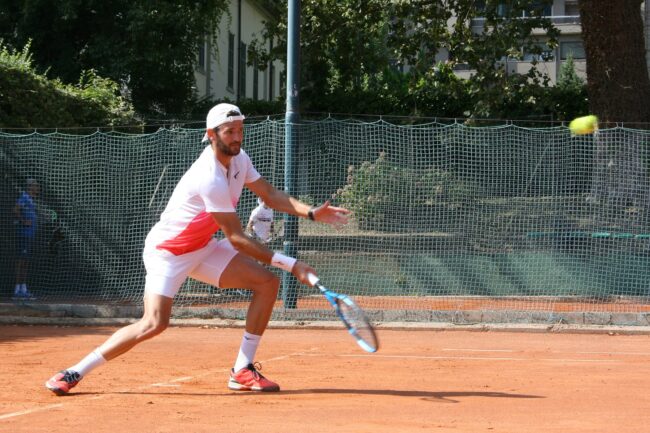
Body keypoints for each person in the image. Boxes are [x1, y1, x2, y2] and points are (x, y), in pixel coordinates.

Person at [45, 103, 350, 395]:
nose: (236, 137)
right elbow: (236, 238)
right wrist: (292, 264)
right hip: (168, 252)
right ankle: (75, 371)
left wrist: (310, 212)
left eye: (239, 130)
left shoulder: (240, 159)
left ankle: (242, 369)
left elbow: (269, 194)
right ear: (211, 133)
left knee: (266, 284)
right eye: (229, 131)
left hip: (203, 247)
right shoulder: (209, 176)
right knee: (154, 323)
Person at [13, 178, 40, 300]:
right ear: (30, 187)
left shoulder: (31, 200)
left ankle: (23, 289)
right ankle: (17, 290)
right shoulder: (24, 197)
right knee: (21, 262)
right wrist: (24, 221)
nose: (38, 188)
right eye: (35, 186)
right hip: (23, 234)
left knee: (25, 262)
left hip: (29, 235)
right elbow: (15, 210)